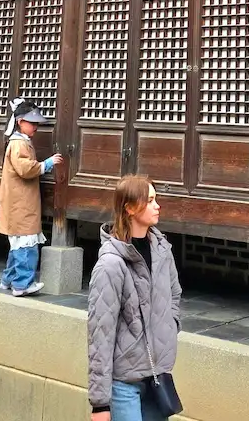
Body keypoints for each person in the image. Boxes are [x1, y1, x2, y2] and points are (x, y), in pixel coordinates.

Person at [87, 176, 181, 421]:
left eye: (156, 199)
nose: (157, 205)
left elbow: (175, 294)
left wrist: (170, 326)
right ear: (129, 208)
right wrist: (99, 404)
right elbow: (100, 334)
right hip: (123, 384)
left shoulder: (162, 250)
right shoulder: (110, 264)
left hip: (157, 378)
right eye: (149, 200)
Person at [0, 97, 63, 297]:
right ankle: (22, 284)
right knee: (26, 244)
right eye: (31, 122)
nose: (35, 126)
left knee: (17, 244)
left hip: (19, 202)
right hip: (20, 204)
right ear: (20, 122)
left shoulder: (21, 142)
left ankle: (8, 280)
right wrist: (48, 164)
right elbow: (25, 169)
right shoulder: (19, 144)